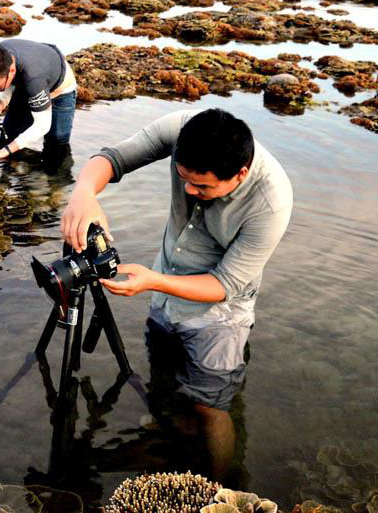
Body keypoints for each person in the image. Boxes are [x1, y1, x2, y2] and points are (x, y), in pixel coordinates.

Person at [60, 108, 292, 481]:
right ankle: (167, 444)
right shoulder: (183, 129)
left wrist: (151, 281)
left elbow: (224, 285)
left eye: (202, 187)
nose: (189, 191)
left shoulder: (271, 203)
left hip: (220, 317)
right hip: (163, 291)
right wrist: (84, 194)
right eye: (183, 178)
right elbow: (112, 158)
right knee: (164, 388)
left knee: (209, 407)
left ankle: (215, 490)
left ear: (240, 175)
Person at [0, 40, 77, 161]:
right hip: (28, 82)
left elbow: (42, 126)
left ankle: (53, 176)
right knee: (10, 135)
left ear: (11, 71)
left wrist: (7, 150)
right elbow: (7, 82)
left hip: (60, 91)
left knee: (56, 144)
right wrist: (2, 101)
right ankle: (16, 170)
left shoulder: (33, 79)